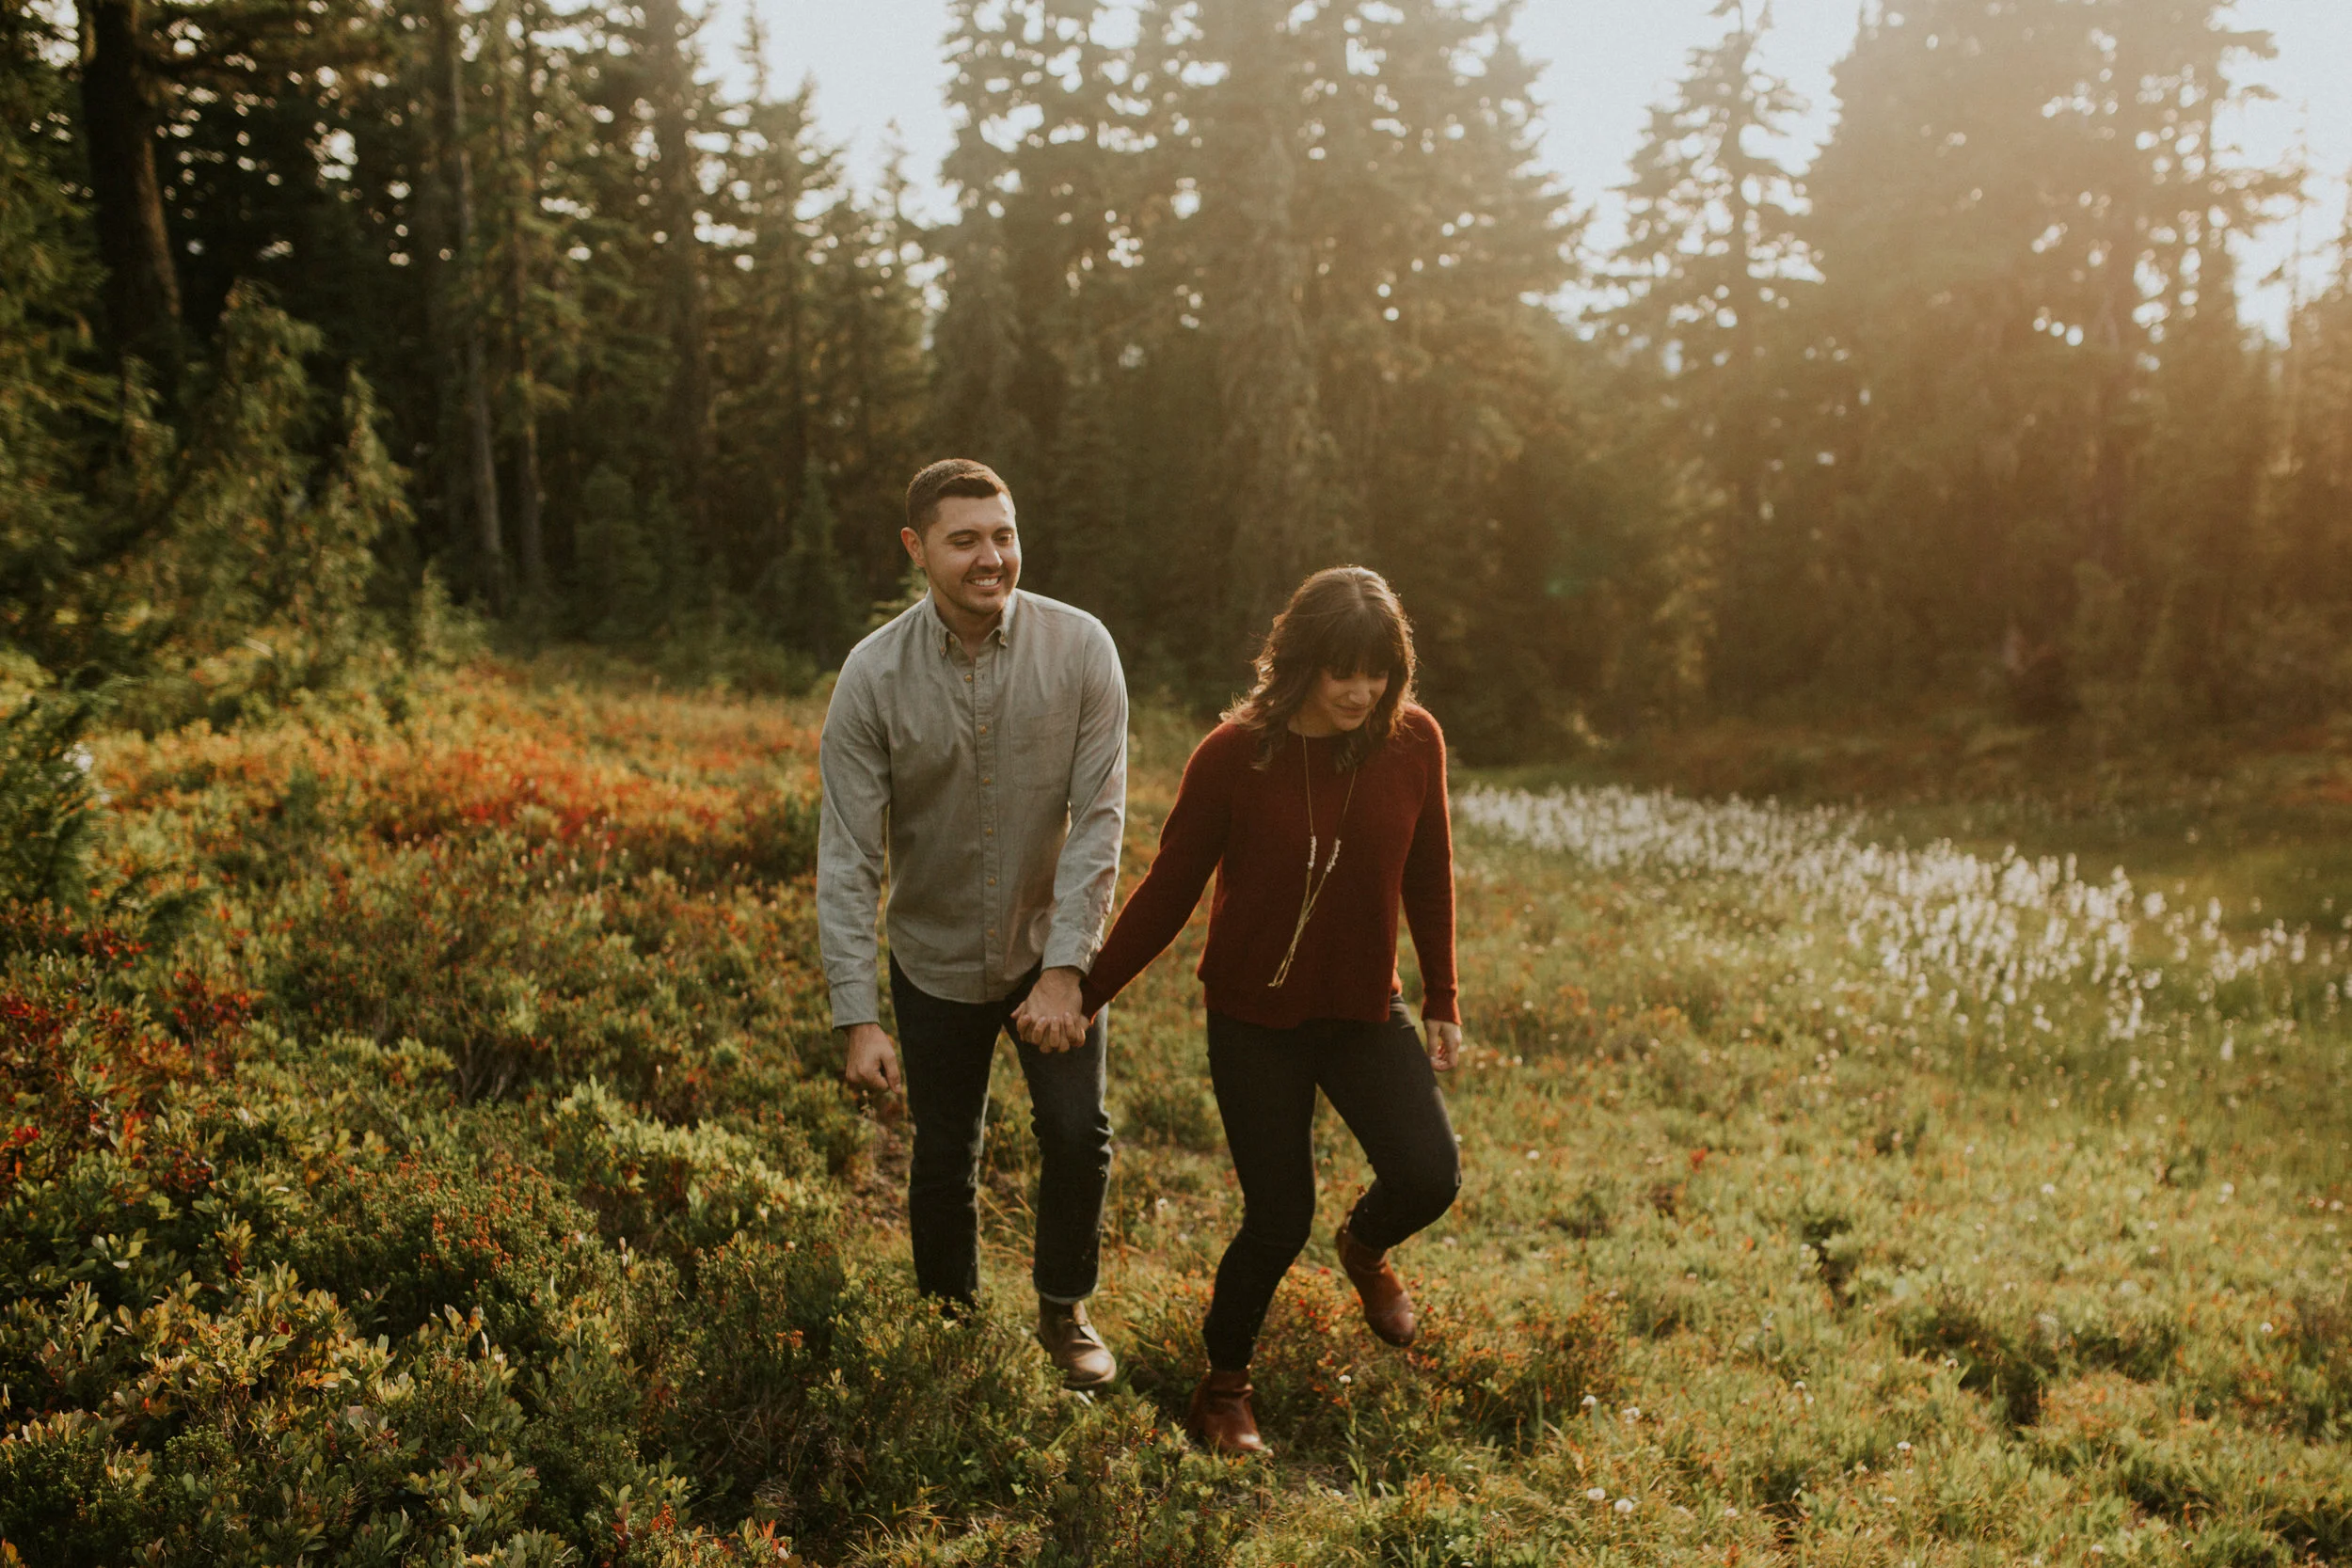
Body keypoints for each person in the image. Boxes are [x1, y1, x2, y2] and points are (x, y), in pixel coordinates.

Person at [1070, 565, 1462, 1454]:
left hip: (1365, 1009)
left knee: (1429, 1173)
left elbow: (1428, 871)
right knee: (1278, 1213)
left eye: (1379, 670)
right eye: (1341, 670)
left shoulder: (1412, 740)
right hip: (1254, 1020)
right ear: (1299, 664)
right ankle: (1224, 1388)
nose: (1362, 690)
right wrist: (1087, 992)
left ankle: (1363, 1250)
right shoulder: (1234, 754)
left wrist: (1442, 996)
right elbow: (1169, 889)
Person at [817, 458, 1129, 1389]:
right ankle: (947, 1324)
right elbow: (849, 852)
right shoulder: (872, 674)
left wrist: (1068, 967)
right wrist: (855, 1011)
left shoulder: (1081, 650)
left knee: (1078, 1134)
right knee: (945, 1148)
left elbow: (1101, 821)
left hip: (1051, 952)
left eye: (1003, 534)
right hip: (934, 954)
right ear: (916, 548)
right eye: (965, 540)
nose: (992, 557)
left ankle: (1063, 1310)